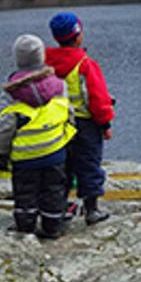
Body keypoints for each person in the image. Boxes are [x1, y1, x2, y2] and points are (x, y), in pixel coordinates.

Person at [0, 34, 76, 240]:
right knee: (53, 190)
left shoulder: (12, 93)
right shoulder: (59, 86)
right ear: (42, 56)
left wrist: (1, 154)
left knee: (25, 193)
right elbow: (69, 113)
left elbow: (6, 127)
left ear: (18, 59)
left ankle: (26, 226)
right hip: (55, 152)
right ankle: (52, 226)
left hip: (24, 157)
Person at [45, 12, 115, 226]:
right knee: (89, 165)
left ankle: (60, 206)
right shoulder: (85, 64)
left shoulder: (46, 62)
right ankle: (91, 209)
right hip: (85, 124)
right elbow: (97, 98)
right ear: (78, 36)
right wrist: (105, 123)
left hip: (58, 123)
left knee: (61, 167)